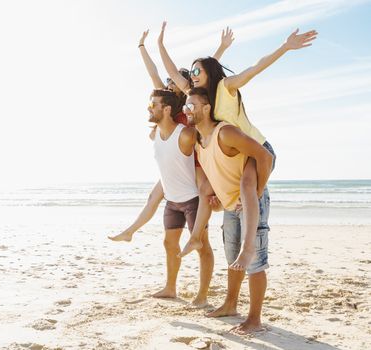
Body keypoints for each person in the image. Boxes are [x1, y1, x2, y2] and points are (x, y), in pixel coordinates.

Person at [158, 22, 317, 269]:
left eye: (197, 71)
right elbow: (175, 73)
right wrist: (160, 45)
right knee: (207, 189)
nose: (192, 74)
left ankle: (249, 245)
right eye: (192, 71)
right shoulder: (197, 97)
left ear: (209, 73)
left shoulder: (226, 87)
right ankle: (196, 238)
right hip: (234, 154)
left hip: (257, 148)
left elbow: (254, 68)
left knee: (247, 185)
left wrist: (285, 47)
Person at [108, 27, 234, 244]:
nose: (168, 83)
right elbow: (153, 73)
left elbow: (204, 73)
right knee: (153, 197)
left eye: (173, 81)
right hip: (177, 163)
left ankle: (227, 212)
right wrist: (141, 47)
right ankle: (130, 231)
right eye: (168, 82)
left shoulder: (190, 101)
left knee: (209, 193)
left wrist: (221, 48)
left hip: (195, 161)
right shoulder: (169, 105)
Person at [184, 87, 274, 333]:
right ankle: (230, 305)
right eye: (184, 106)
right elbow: (220, 175)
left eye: (191, 105)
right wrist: (218, 199)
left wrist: (255, 193)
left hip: (250, 201)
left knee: (253, 260)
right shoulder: (199, 143)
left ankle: (254, 319)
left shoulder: (224, 133)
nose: (186, 110)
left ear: (206, 108)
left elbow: (265, 156)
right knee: (232, 259)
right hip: (231, 204)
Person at [115, 89, 214, 307]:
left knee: (203, 247)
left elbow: (209, 153)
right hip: (172, 201)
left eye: (153, 105)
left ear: (167, 109)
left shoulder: (186, 134)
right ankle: (170, 288)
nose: (149, 108)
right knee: (169, 243)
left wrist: (216, 189)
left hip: (192, 200)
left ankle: (203, 295)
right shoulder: (155, 136)